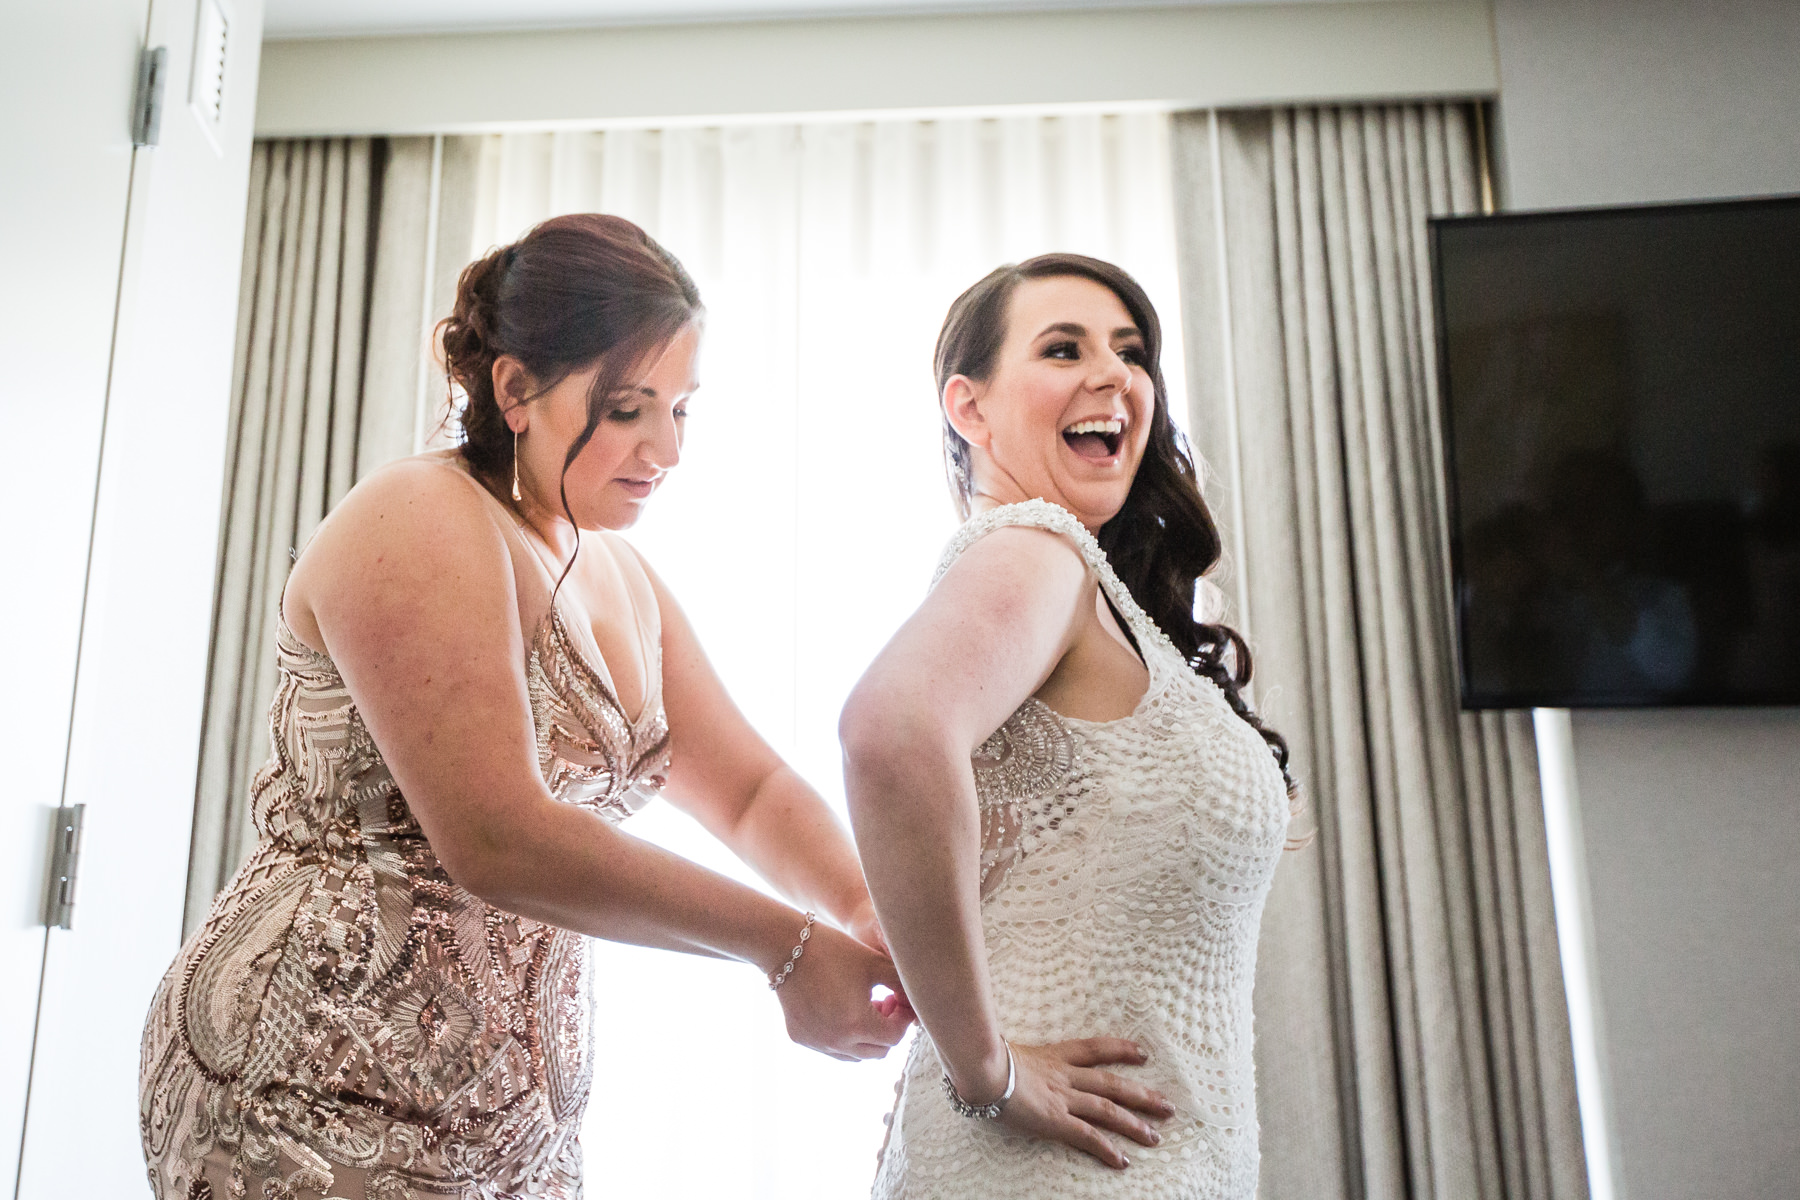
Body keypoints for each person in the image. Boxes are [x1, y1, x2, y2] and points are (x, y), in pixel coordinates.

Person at [140, 214, 910, 1200]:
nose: (666, 448)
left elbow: (751, 792)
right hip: (314, 1088)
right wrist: (787, 948)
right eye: (631, 408)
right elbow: (499, 837)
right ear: (514, 389)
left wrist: (866, 914)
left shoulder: (619, 575)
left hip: (510, 1129)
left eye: (683, 411)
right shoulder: (422, 517)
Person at [842, 254, 1296, 1199]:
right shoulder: (1035, 552)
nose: (1115, 374)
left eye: (1131, 352)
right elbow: (888, 736)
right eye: (1063, 348)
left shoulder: (1094, 593)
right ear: (969, 410)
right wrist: (986, 1072)